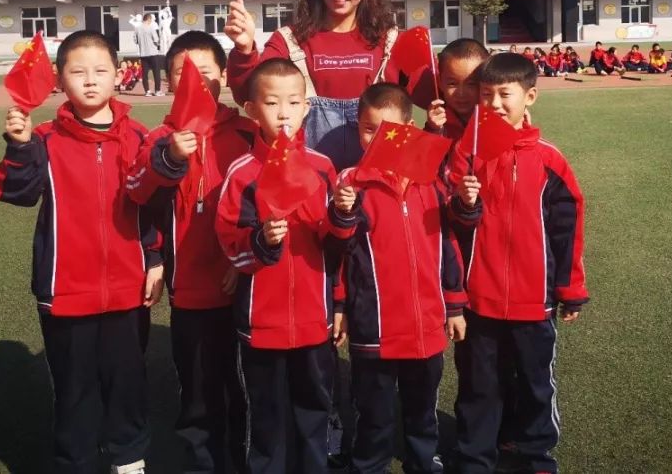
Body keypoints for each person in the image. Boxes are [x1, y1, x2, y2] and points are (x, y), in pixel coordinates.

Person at [0, 30, 164, 474]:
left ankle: (129, 458)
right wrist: (19, 145)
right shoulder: (44, 139)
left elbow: (152, 206)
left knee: (127, 381)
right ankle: (76, 461)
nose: (90, 81)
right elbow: (15, 192)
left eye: (101, 71)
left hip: (128, 288)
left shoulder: (138, 136)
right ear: (59, 80)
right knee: (75, 387)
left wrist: (155, 258)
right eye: (77, 72)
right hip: (66, 292)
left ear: (119, 73)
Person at [215, 58, 357, 474]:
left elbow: (336, 243)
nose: (283, 113)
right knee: (268, 418)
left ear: (307, 107)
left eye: (293, 103)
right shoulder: (242, 173)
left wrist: (343, 214)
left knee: (314, 411)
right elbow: (230, 245)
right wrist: (261, 240)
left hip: (314, 320)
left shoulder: (322, 167)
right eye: (272, 103)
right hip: (262, 324)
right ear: (251, 109)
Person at [449, 53, 589, 474]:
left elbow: (568, 229)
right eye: (485, 95)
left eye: (503, 95)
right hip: (480, 301)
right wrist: (464, 202)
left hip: (535, 301)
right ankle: (475, 456)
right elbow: (452, 224)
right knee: (478, 385)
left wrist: (570, 289)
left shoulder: (550, 160)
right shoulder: (466, 155)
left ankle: (535, 455)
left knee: (534, 384)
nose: (493, 104)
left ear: (529, 97)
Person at [127, 31, 257, 474]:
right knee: (199, 395)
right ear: (168, 81)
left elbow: (270, 207)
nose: (197, 83)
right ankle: (201, 464)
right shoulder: (159, 137)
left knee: (242, 390)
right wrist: (170, 158)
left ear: (223, 75)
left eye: (206, 73)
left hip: (243, 290)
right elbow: (141, 196)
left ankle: (241, 462)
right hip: (191, 294)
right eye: (184, 75)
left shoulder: (246, 133)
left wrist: (243, 265)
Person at [335, 83, 478, 474]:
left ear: (409, 129)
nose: (377, 138)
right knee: (373, 409)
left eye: (388, 130)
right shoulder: (349, 182)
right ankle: (369, 462)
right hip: (374, 328)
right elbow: (338, 250)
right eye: (367, 129)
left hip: (427, 326)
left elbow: (447, 246)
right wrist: (341, 305)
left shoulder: (430, 181)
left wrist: (454, 306)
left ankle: (422, 458)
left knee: (421, 406)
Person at [224, 0, 399, 172]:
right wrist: (244, 50)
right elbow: (249, 95)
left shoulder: (390, 41)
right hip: (308, 186)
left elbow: (434, 93)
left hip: (374, 190)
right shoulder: (288, 40)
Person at [425, 38, 489, 141]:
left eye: (471, 84)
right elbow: (424, 155)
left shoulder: (497, 118)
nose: (461, 93)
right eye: (452, 84)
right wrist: (434, 130)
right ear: (440, 82)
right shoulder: (438, 123)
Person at [135, 13, 165, 97]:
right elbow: (156, 39)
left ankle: (147, 91)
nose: (151, 21)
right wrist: (158, 43)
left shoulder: (137, 28)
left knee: (145, 73)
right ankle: (157, 91)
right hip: (153, 53)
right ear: (148, 19)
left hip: (143, 53)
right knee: (156, 72)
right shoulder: (151, 27)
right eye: (151, 19)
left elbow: (135, 40)